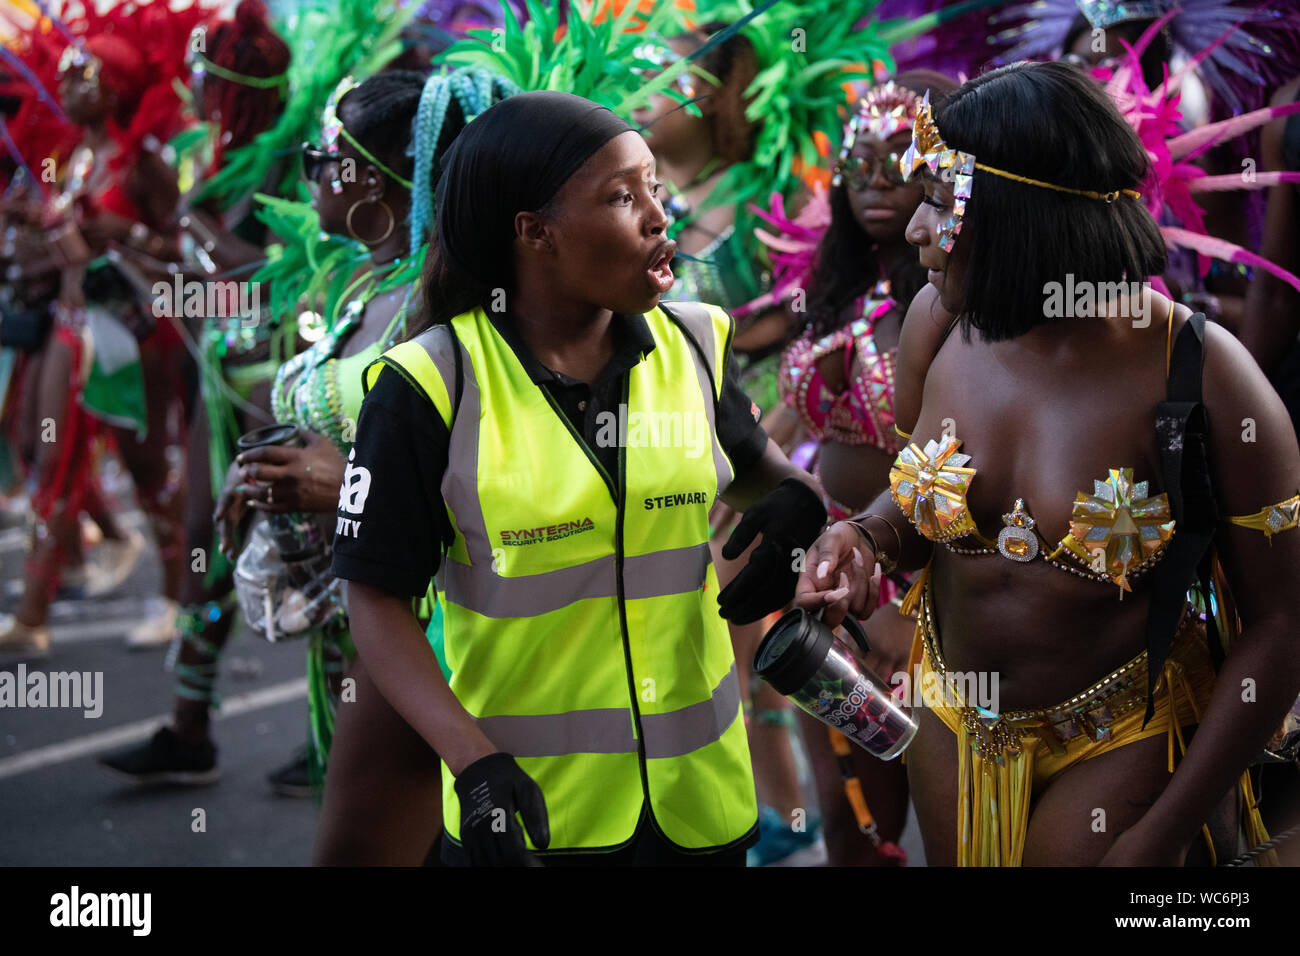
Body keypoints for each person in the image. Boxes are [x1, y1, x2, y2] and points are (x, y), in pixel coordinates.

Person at [791, 61, 1300, 866]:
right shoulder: (937, 321)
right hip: (952, 722)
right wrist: (866, 541)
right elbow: (919, 511)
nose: (915, 231)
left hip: (1124, 740)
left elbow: (1280, 625)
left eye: (937, 202)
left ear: (1017, 216)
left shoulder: (1199, 372)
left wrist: (1160, 832)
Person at [330, 89, 826, 866]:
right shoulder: (430, 384)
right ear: (535, 233)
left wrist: (801, 512)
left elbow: (770, 482)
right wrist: (474, 764)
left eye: (656, 187)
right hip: (532, 820)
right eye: (623, 198)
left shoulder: (694, 344)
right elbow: (375, 599)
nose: (660, 216)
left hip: (702, 812)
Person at [773, 70, 956, 866]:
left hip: (932, 580)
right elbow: (791, 424)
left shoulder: (957, 296)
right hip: (837, 577)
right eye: (861, 163)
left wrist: (904, 612)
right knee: (850, 812)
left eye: (900, 161)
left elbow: (962, 463)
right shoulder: (835, 286)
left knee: (939, 811)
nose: (879, 183)